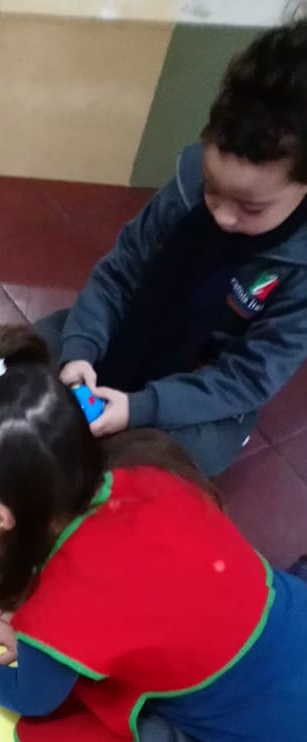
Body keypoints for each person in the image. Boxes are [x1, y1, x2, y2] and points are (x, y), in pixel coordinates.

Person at [0, 326, 307, 742]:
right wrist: (35, 640)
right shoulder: (149, 466)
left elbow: (33, 699)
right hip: (293, 618)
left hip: (265, 738)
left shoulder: (56, 606)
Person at [37, 17, 307, 477]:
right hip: (137, 332)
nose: (222, 216)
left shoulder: (297, 268)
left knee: (181, 460)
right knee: (36, 348)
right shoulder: (186, 189)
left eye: (250, 207)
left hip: (203, 380)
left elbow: (246, 378)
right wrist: (80, 350)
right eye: (212, 188)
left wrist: (142, 408)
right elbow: (119, 274)